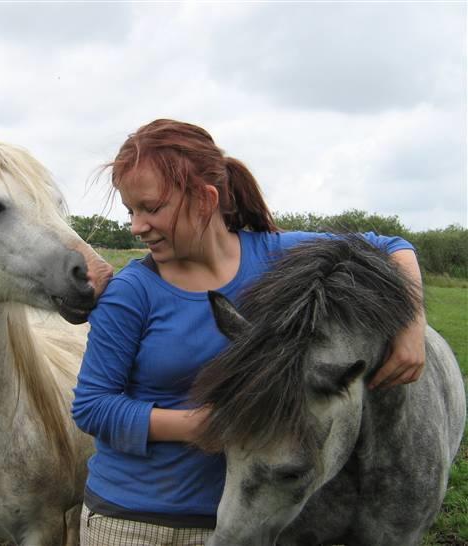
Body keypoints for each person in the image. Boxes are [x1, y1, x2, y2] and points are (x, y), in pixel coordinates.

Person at [72, 119, 426, 546]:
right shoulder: (132, 293)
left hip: (240, 521)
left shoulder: (277, 258)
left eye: (151, 208)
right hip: (133, 522)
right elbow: (93, 406)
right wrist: (198, 426)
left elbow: (390, 246)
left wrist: (411, 324)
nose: (136, 226)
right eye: (131, 211)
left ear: (205, 200)